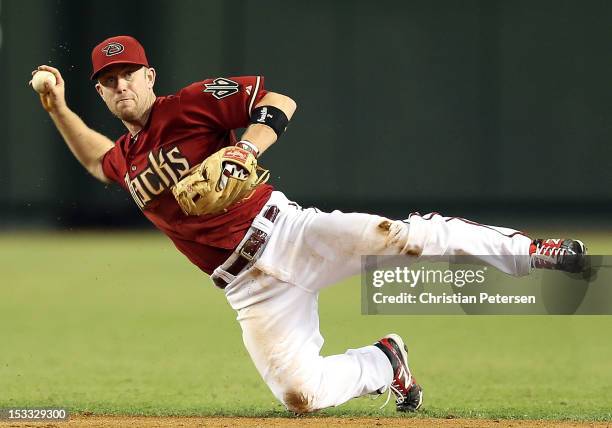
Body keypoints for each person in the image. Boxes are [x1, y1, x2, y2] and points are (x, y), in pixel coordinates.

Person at [31, 35, 587, 414]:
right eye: (109, 81)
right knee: (302, 395)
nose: (121, 85)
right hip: (247, 289)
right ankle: (384, 361)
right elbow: (93, 159)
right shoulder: (126, 159)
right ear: (100, 92)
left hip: (288, 232)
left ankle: (533, 252)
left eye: (129, 73)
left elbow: (279, 99)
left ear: (150, 75)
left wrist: (245, 148)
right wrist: (57, 107)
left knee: (403, 236)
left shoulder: (192, 103)